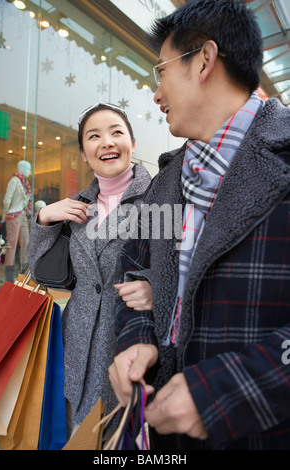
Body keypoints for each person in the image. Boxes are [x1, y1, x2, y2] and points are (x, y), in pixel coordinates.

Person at [108, 0, 290, 451]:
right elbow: (131, 274)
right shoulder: (167, 180)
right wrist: (137, 341)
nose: (156, 93)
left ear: (204, 60)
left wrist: (225, 391)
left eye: (161, 71)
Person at [27, 103, 152, 438]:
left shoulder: (159, 200)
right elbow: (40, 272)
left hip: (125, 347)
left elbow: (183, 266)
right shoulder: (77, 205)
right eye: (94, 136)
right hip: (72, 347)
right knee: (66, 432)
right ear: (84, 153)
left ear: (132, 143)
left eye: (116, 132)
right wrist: (44, 220)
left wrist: (155, 287)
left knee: (112, 437)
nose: (107, 142)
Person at [3, 160, 32, 282]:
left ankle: (23, 274)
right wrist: (5, 213)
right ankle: (9, 277)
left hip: (24, 215)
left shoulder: (25, 183)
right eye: (28, 168)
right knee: (12, 245)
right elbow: (7, 199)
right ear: (21, 168)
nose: (29, 171)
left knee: (26, 243)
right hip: (14, 215)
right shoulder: (14, 181)